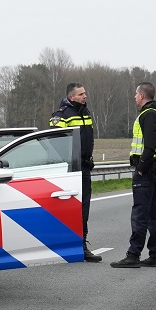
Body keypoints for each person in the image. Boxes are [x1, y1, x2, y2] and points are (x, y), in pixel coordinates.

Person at [110, 82, 156, 268]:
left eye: (136, 94)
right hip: (155, 168)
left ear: (142, 95)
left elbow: (149, 145)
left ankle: (133, 255)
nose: (134, 97)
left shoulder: (149, 114)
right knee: (153, 213)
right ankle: (155, 255)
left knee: (140, 213)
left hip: (147, 170)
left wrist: (141, 167)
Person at [50, 83, 101, 262]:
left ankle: (81, 245)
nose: (85, 96)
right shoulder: (61, 115)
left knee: (83, 208)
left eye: (85, 93)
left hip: (85, 167)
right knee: (67, 208)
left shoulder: (85, 113)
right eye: (81, 94)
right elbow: (54, 144)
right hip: (70, 169)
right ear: (71, 97)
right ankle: (64, 245)